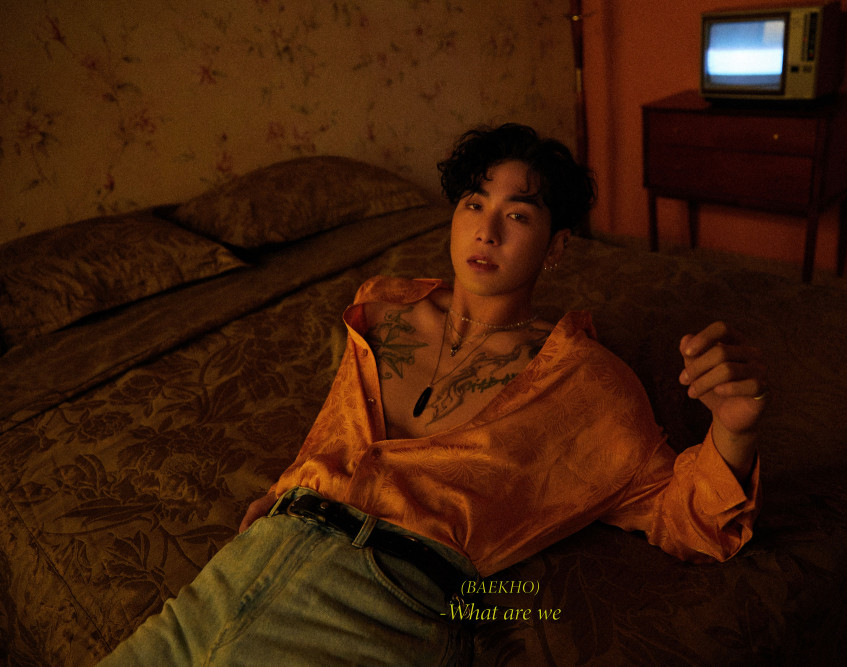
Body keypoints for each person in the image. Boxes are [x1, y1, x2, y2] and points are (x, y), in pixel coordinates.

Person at [101, 123, 765, 666]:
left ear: (557, 247)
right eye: (474, 203)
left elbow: (686, 518)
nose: (486, 230)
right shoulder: (379, 306)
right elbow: (332, 428)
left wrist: (734, 429)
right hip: (242, 568)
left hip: (379, 600)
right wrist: (285, 491)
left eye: (518, 214)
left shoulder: (588, 383)